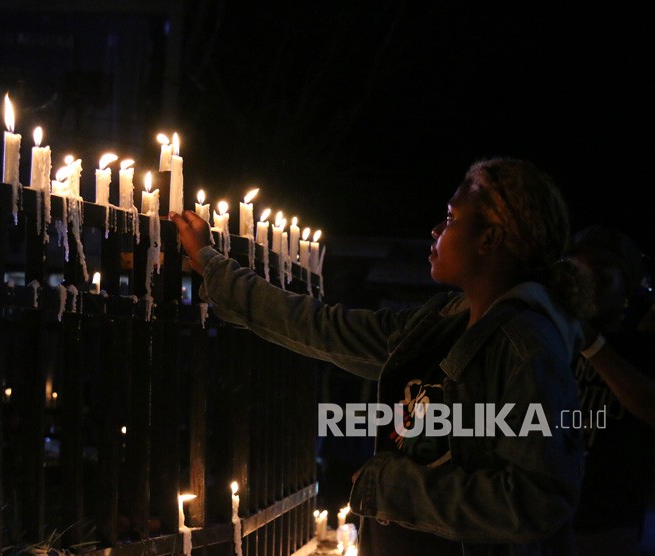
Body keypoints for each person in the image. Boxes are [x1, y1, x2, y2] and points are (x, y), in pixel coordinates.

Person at [170, 157, 591, 555]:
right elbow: (322, 327)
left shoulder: (527, 347)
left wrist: (391, 487)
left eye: (450, 219)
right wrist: (215, 268)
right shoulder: (440, 323)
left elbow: (539, 499)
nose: (434, 230)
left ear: (490, 238)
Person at [568, 226, 655, 555]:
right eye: (578, 275)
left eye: (602, 278)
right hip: (541, 520)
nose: (587, 288)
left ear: (628, 287)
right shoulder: (553, 337)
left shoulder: (643, 348)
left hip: (608, 527)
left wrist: (594, 344)